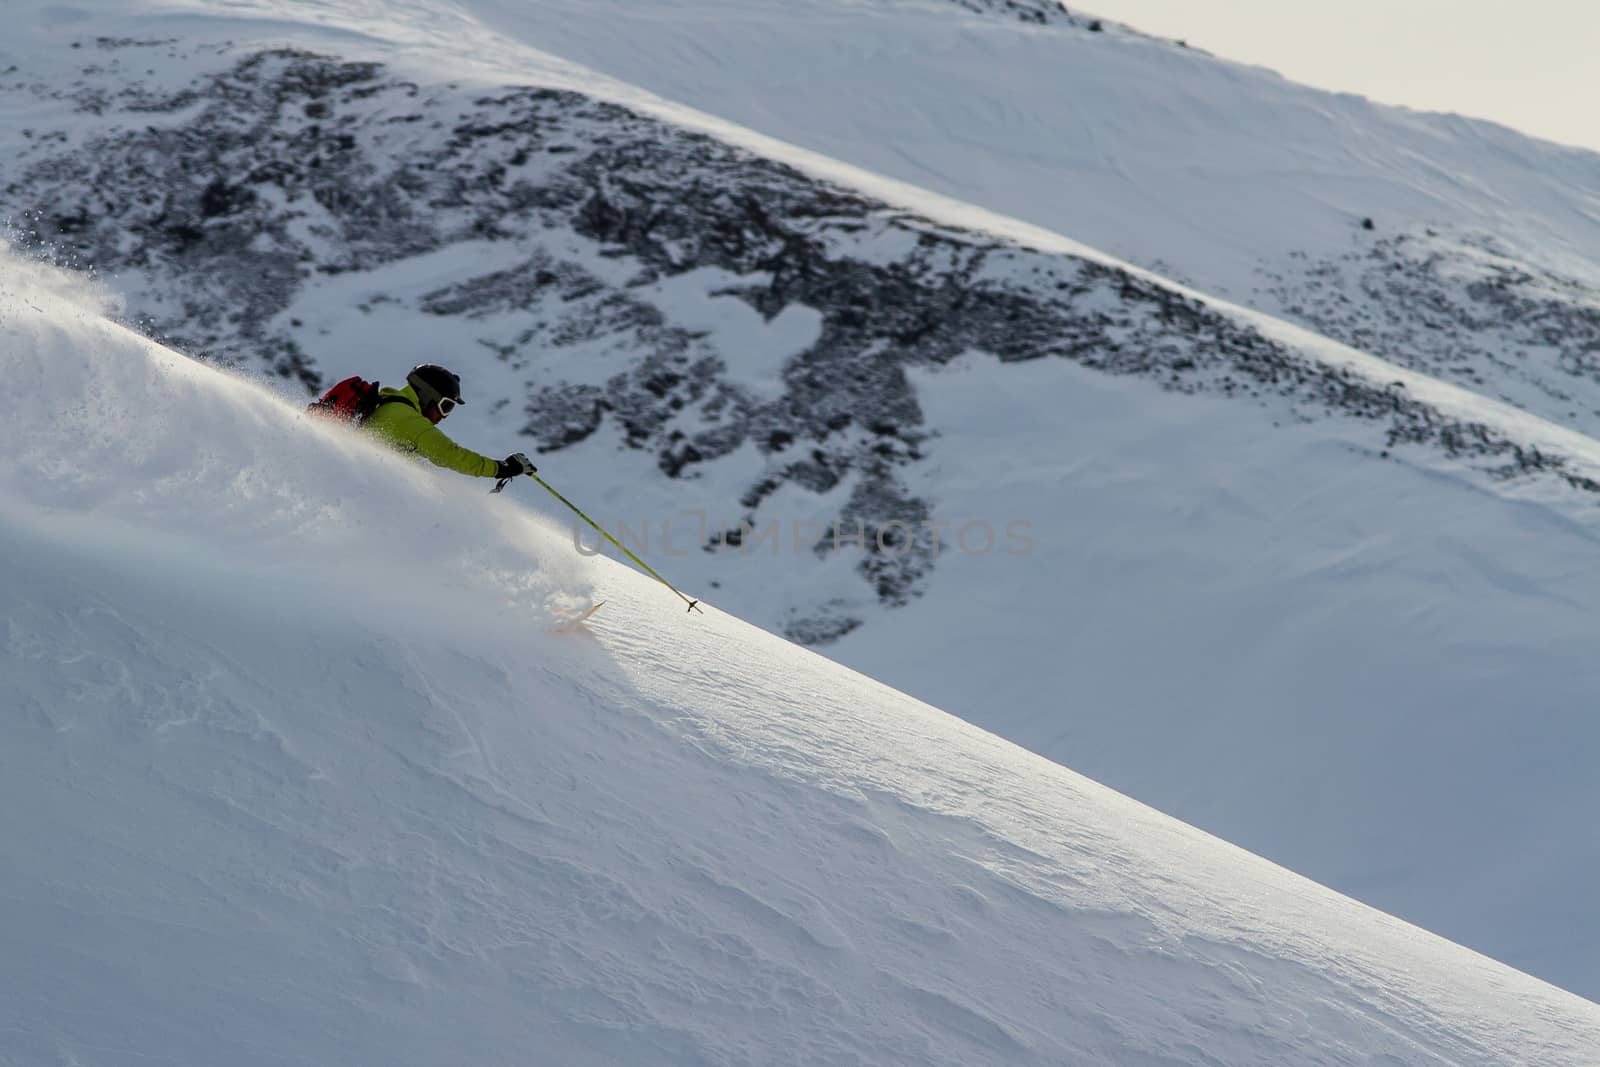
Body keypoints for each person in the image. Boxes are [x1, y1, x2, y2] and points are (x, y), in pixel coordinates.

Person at [365, 363, 536, 481]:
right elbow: (451, 455)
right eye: (445, 406)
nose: (444, 416)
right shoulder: (409, 420)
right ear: (427, 396)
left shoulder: (390, 404)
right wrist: (502, 468)